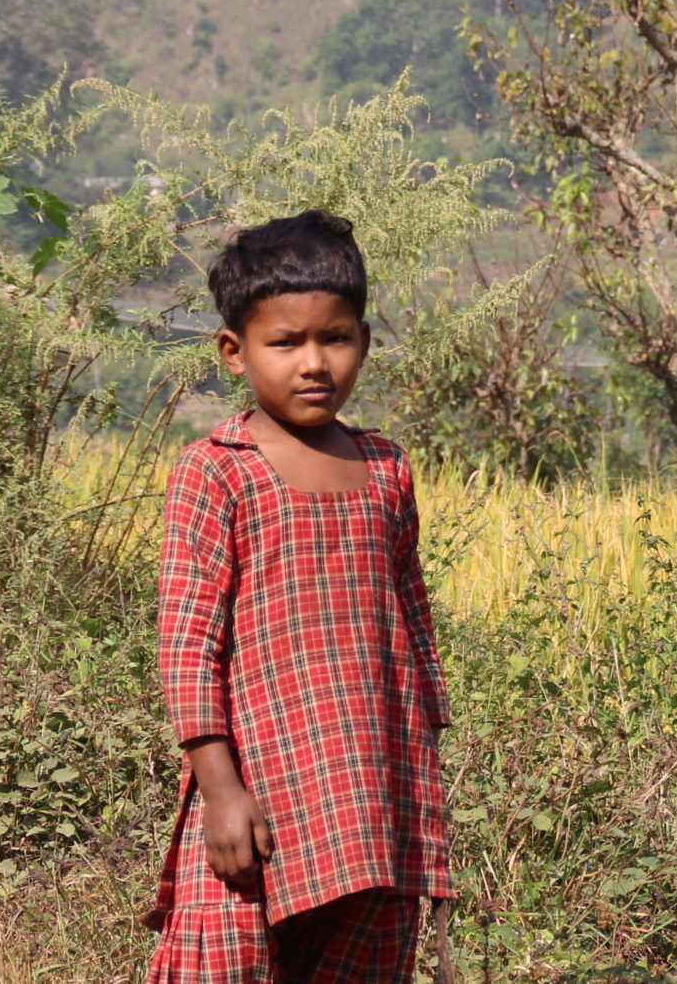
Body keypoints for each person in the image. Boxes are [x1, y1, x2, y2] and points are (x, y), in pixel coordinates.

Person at [143, 210, 451, 984]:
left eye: (335, 337)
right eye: (285, 342)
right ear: (233, 349)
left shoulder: (386, 468)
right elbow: (187, 643)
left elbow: (410, 618)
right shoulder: (219, 470)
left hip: (371, 789)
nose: (314, 362)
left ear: (364, 340)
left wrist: (422, 766)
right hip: (256, 789)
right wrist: (219, 790)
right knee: (221, 963)